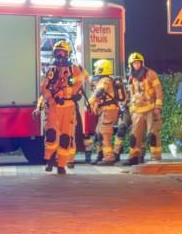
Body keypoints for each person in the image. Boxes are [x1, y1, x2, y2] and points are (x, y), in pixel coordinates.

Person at [35, 40, 85, 175]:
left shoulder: (74, 69)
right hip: (54, 107)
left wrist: (66, 92)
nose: (60, 55)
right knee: (51, 135)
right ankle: (49, 160)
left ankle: (62, 165)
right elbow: (43, 88)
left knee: (65, 137)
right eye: (57, 52)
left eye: (62, 52)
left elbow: (78, 85)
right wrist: (51, 99)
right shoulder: (51, 70)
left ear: (67, 54)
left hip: (68, 107)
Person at [125, 52, 163, 165]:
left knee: (153, 135)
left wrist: (158, 106)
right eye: (134, 63)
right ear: (131, 65)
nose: (136, 65)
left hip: (151, 110)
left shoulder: (151, 74)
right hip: (137, 112)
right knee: (134, 137)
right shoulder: (131, 78)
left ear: (142, 63)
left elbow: (158, 91)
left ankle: (155, 157)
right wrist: (132, 111)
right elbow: (131, 95)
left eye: (138, 63)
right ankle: (133, 157)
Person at [87, 59, 127, 166]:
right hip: (105, 110)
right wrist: (81, 70)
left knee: (105, 134)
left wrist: (90, 102)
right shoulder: (105, 79)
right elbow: (88, 78)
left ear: (101, 69)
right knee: (98, 134)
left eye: (96, 68)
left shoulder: (105, 80)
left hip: (108, 110)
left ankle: (108, 157)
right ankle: (100, 155)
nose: (95, 70)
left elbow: (99, 92)